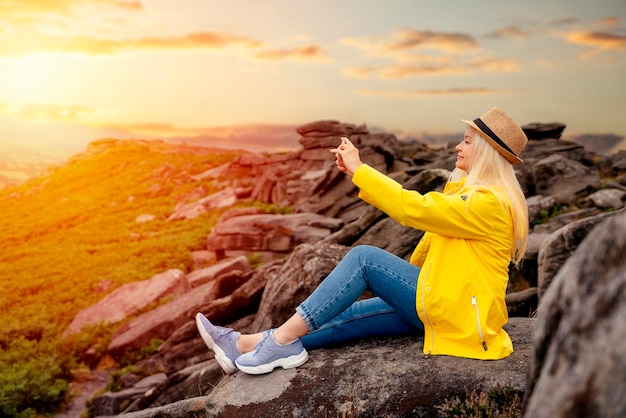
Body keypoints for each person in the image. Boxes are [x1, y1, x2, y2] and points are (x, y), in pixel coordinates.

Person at [196, 107, 529, 375]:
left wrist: (360, 171)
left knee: (364, 259)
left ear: (486, 152)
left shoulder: (489, 203)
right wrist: (405, 289)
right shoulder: (475, 196)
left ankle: (280, 341)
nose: (459, 146)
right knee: (346, 313)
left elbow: (412, 208)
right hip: (443, 303)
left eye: (468, 141)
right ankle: (242, 344)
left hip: (453, 309)